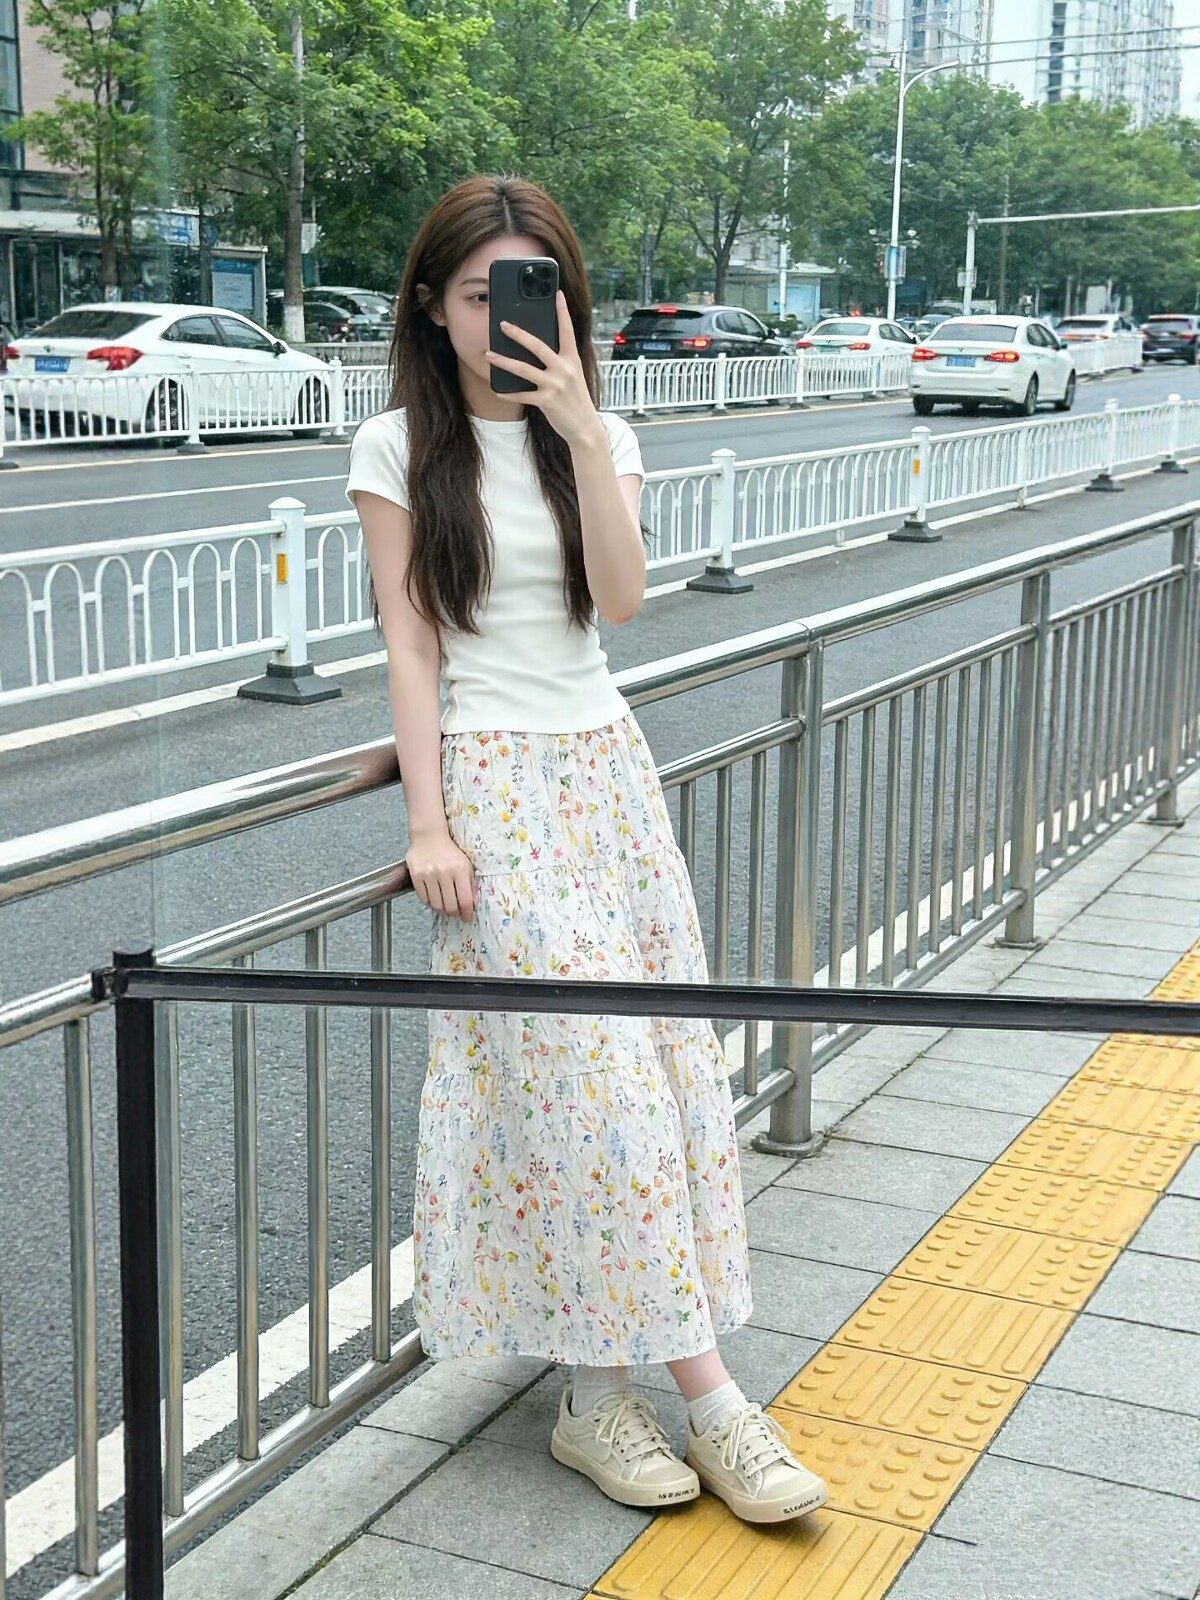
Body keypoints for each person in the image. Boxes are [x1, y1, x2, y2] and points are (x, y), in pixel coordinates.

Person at [344, 173, 827, 1525]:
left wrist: (576, 425)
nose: (503, 316)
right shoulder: (394, 448)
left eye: (530, 289)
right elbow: (411, 647)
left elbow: (619, 602)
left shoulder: (598, 436)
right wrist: (428, 821)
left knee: (642, 1082)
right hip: (496, 795)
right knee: (596, 1094)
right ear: (431, 308)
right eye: (477, 293)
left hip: (608, 778)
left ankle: (595, 1395)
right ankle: (713, 1401)